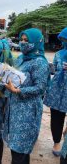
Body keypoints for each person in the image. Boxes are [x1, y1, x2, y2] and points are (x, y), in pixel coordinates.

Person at [2, 28, 50, 164]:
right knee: (16, 146)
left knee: (21, 147)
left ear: (36, 42)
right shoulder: (20, 58)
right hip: (14, 107)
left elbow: (40, 88)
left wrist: (18, 91)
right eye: (21, 40)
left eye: (26, 40)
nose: (23, 43)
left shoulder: (40, 62)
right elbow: (15, 76)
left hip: (28, 111)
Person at [43, 27, 67, 156]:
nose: (64, 42)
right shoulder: (58, 54)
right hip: (57, 90)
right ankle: (56, 142)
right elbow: (56, 70)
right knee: (56, 117)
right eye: (63, 39)